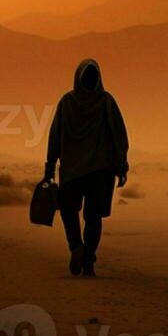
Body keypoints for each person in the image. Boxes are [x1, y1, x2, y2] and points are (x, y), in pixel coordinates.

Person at [45, 58, 129, 277]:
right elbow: (119, 136)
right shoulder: (106, 101)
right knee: (93, 217)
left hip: (72, 170)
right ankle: (88, 260)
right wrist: (122, 166)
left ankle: (76, 247)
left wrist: (49, 166)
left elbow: (54, 136)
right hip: (101, 171)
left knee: (68, 211)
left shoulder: (67, 102)